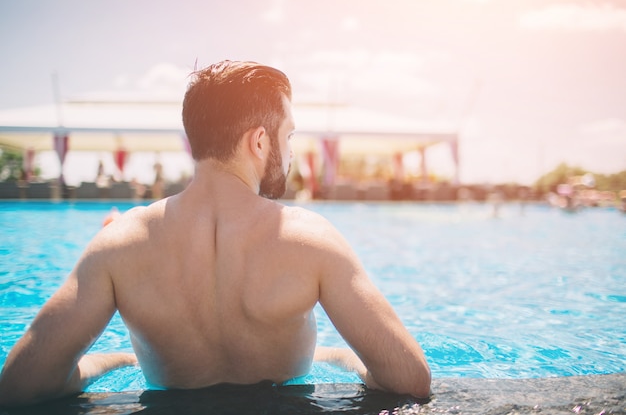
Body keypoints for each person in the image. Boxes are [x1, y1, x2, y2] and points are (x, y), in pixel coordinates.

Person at [0, 60, 431, 406]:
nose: (292, 152)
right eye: (289, 135)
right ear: (260, 142)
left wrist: (115, 360)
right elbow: (409, 379)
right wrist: (345, 361)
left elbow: (23, 385)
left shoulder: (120, 244)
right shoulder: (309, 239)